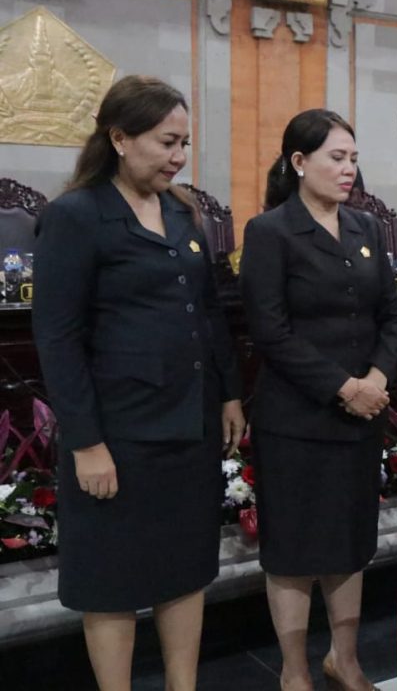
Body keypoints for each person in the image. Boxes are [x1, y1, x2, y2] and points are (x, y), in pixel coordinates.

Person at [32, 75, 245, 691]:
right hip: (118, 432)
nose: (179, 157)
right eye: (166, 142)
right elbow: (58, 339)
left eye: (184, 143)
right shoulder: (75, 215)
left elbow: (209, 311)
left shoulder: (182, 210)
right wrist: (86, 442)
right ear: (120, 138)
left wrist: (229, 392)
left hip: (189, 422)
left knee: (185, 568)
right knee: (112, 578)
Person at [240, 109, 397, 691]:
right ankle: (294, 668)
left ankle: (347, 657)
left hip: (362, 415)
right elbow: (270, 331)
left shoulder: (366, 229)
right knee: (294, 548)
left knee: (349, 541)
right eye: (337, 158)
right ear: (299, 162)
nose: (348, 170)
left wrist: (378, 378)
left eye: (354, 159)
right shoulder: (270, 232)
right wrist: (343, 387)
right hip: (298, 417)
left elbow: (392, 314)